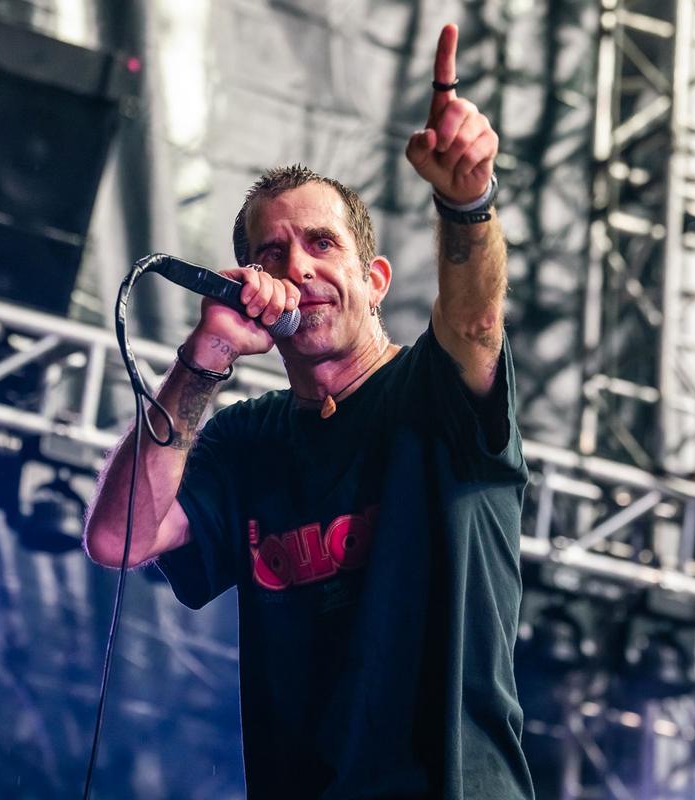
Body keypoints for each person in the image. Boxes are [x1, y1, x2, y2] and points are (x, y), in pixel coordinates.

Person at [85, 23, 533, 800]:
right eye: (272, 252)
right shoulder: (246, 439)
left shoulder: (432, 392)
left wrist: (467, 205)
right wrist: (203, 360)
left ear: (375, 280)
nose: (297, 266)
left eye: (323, 245)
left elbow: (474, 320)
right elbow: (117, 538)